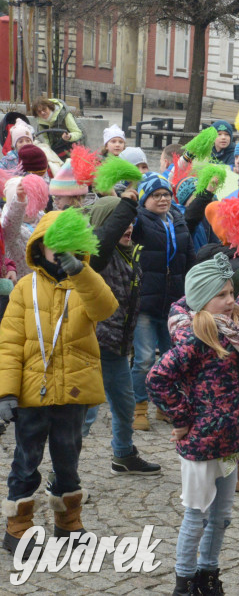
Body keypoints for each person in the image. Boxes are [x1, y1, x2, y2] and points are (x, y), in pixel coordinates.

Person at [147, 234, 239, 596]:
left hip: (233, 440)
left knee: (222, 517)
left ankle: (209, 574)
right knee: (197, 516)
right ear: (202, 301)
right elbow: (158, 378)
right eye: (221, 295)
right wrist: (182, 418)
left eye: (229, 292)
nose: (230, 299)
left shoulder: (235, 323)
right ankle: (184, 581)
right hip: (204, 441)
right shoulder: (197, 335)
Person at [0, 212, 118, 554]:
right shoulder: (25, 287)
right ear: (39, 246)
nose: (60, 250)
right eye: (54, 243)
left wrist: (81, 273)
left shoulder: (86, 283)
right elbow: (9, 343)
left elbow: (106, 307)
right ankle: (19, 525)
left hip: (73, 390)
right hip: (31, 393)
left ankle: (68, 522)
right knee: (26, 459)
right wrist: (6, 392)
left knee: (68, 458)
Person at [82, 194, 162, 475]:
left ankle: (123, 455)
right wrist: (127, 204)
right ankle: (62, 472)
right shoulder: (94, 257)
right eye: (121, 223)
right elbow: (102, 241)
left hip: (116, 346)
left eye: (131, 222)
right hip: (92, 345)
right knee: (86, 413)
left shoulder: (128, 254)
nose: (128, 227)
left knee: (125, 402)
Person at [131, 174, 195, 431]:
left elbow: (189, 258)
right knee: (145, 358)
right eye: (156, 195)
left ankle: (164, 406)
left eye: (166, 194)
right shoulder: (139, 222)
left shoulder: (178, 220)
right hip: (146, 300)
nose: (163, 199)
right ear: (145, 199)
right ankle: (139, 408)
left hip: (173, 302)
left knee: (172, 358)